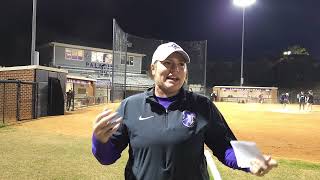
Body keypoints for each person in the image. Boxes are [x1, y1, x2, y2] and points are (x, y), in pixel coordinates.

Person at [92, 42, 277, 180]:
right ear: (153, 69)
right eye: (168, 63)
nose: (176, 69)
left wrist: (250, 161)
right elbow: (107, 157)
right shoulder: (130, 106)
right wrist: (99, 141)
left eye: (181, 65)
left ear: (186, 72)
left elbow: (225, 146)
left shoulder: (202, 106)